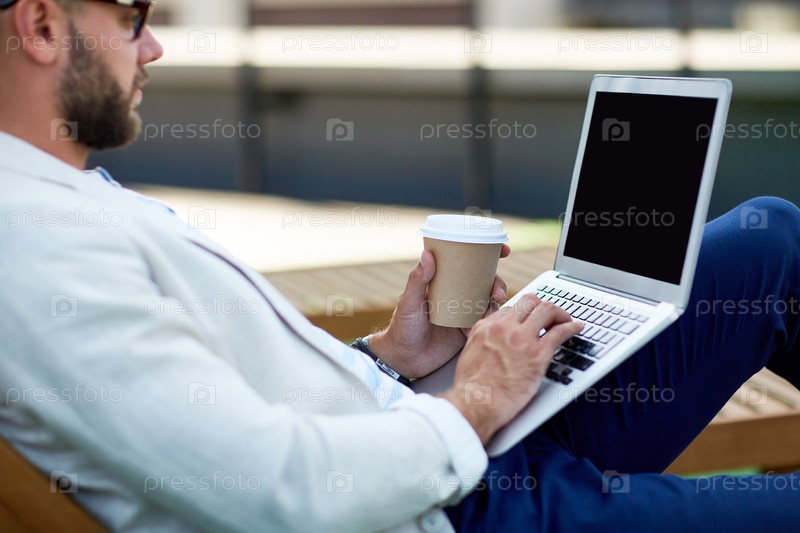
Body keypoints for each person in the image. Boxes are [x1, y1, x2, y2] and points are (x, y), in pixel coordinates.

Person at [0, 1, 798, 532]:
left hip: (432, 437)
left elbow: (230, 408)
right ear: (40, 25)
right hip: (452, 506)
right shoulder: (35, 251)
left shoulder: (54, 198)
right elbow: (273, 489)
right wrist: (478, 398)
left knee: (771, 239)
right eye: (132, 16)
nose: (153, 45)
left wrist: (391, 359)